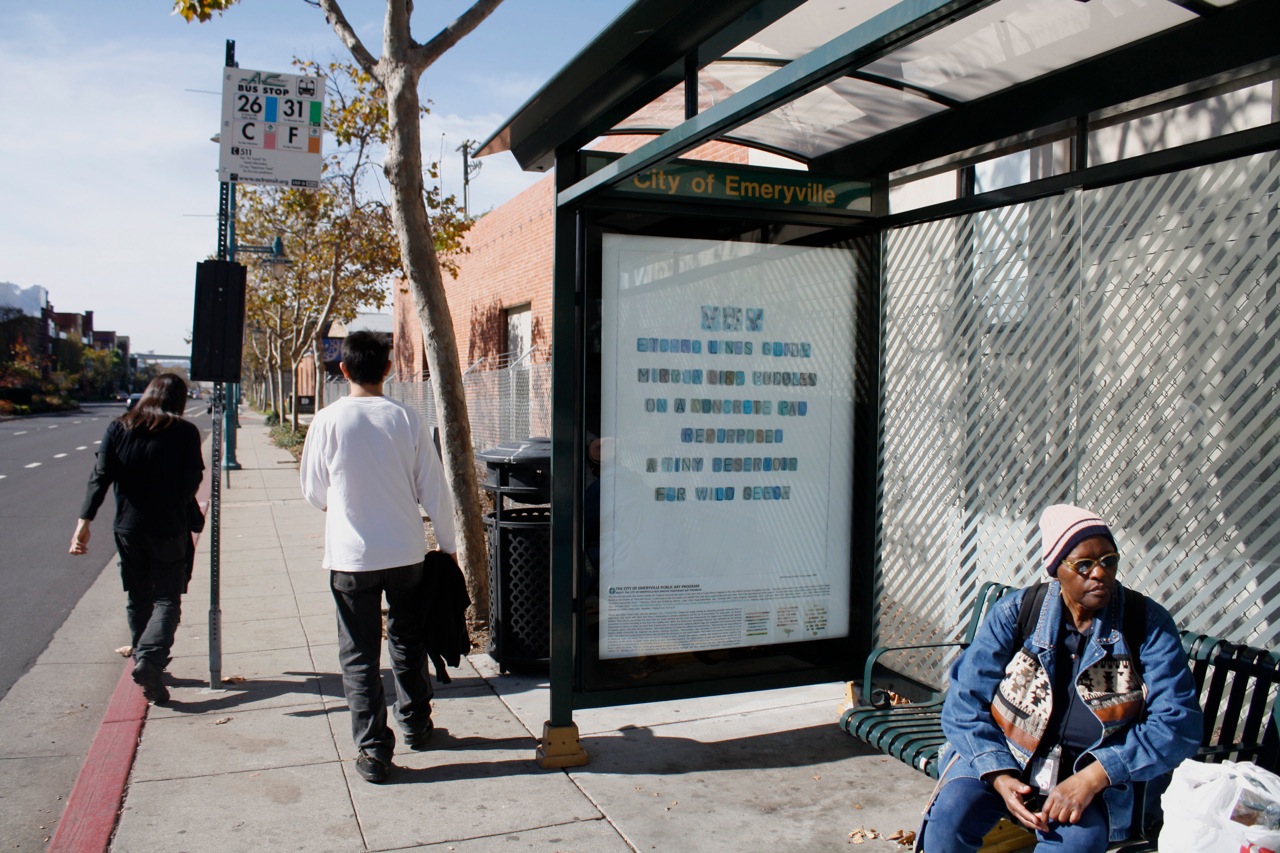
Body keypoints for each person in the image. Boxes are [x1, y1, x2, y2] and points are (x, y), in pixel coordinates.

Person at [917, 504, 1203, 851]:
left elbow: (1178, 724)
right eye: (1084, 565)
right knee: (949, 817)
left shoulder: (1146, 624)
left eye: (1108, 561)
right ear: (1057, 570)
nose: (1099, 573)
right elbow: (964, 701)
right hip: (1009, 755)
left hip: (1091, 778)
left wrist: (1094, 776)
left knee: (1077, 844)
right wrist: (998, 773)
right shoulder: (1018, 612)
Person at [299, 330, 457, 784]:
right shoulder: (407, 419)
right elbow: (435, 489)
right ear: (388, 369)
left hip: (350, 558)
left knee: (359, 656)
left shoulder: (326, 422)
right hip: (406, 551)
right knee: (408, 642)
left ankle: (373, 750)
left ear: (343, 369)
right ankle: (417, 724)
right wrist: (447, 547)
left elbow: (314, 492)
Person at [70, 373, 205, 705]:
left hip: (128, 528)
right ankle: (151, 659)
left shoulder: (120, 427)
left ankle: (145, 661)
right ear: (179, 400)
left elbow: (100, 476)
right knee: (167, 599)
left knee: (138, 596)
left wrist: (84, 522)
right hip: (168, 527)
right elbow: (193, 479)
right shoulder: (185, 432)